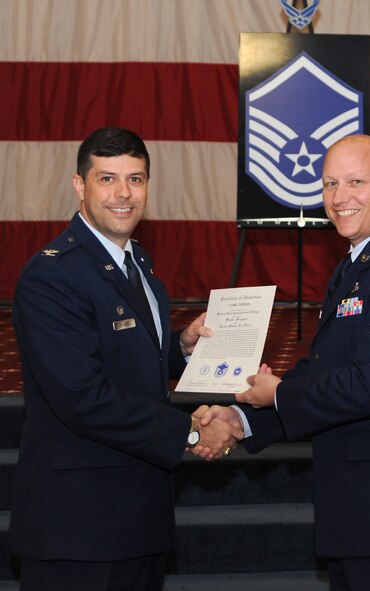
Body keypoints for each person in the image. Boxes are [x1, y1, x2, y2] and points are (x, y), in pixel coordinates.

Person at [196, 134, 370, 591]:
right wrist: (243, 419)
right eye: (329, 184)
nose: (340, 198)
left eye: (356, 181)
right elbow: (324, 372)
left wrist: (279, 393)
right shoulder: (358, 264)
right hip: (362, 514)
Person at [11, 127, 243, 591]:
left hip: (139, 515)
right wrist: (193, 430)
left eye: (135, 180)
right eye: (107, 179)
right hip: (78, 525)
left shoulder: (139, 265)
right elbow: (83, 396)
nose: (123, 194)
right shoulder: (52, 276)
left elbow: (125, 356)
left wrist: (178, 348)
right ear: (80, 186)